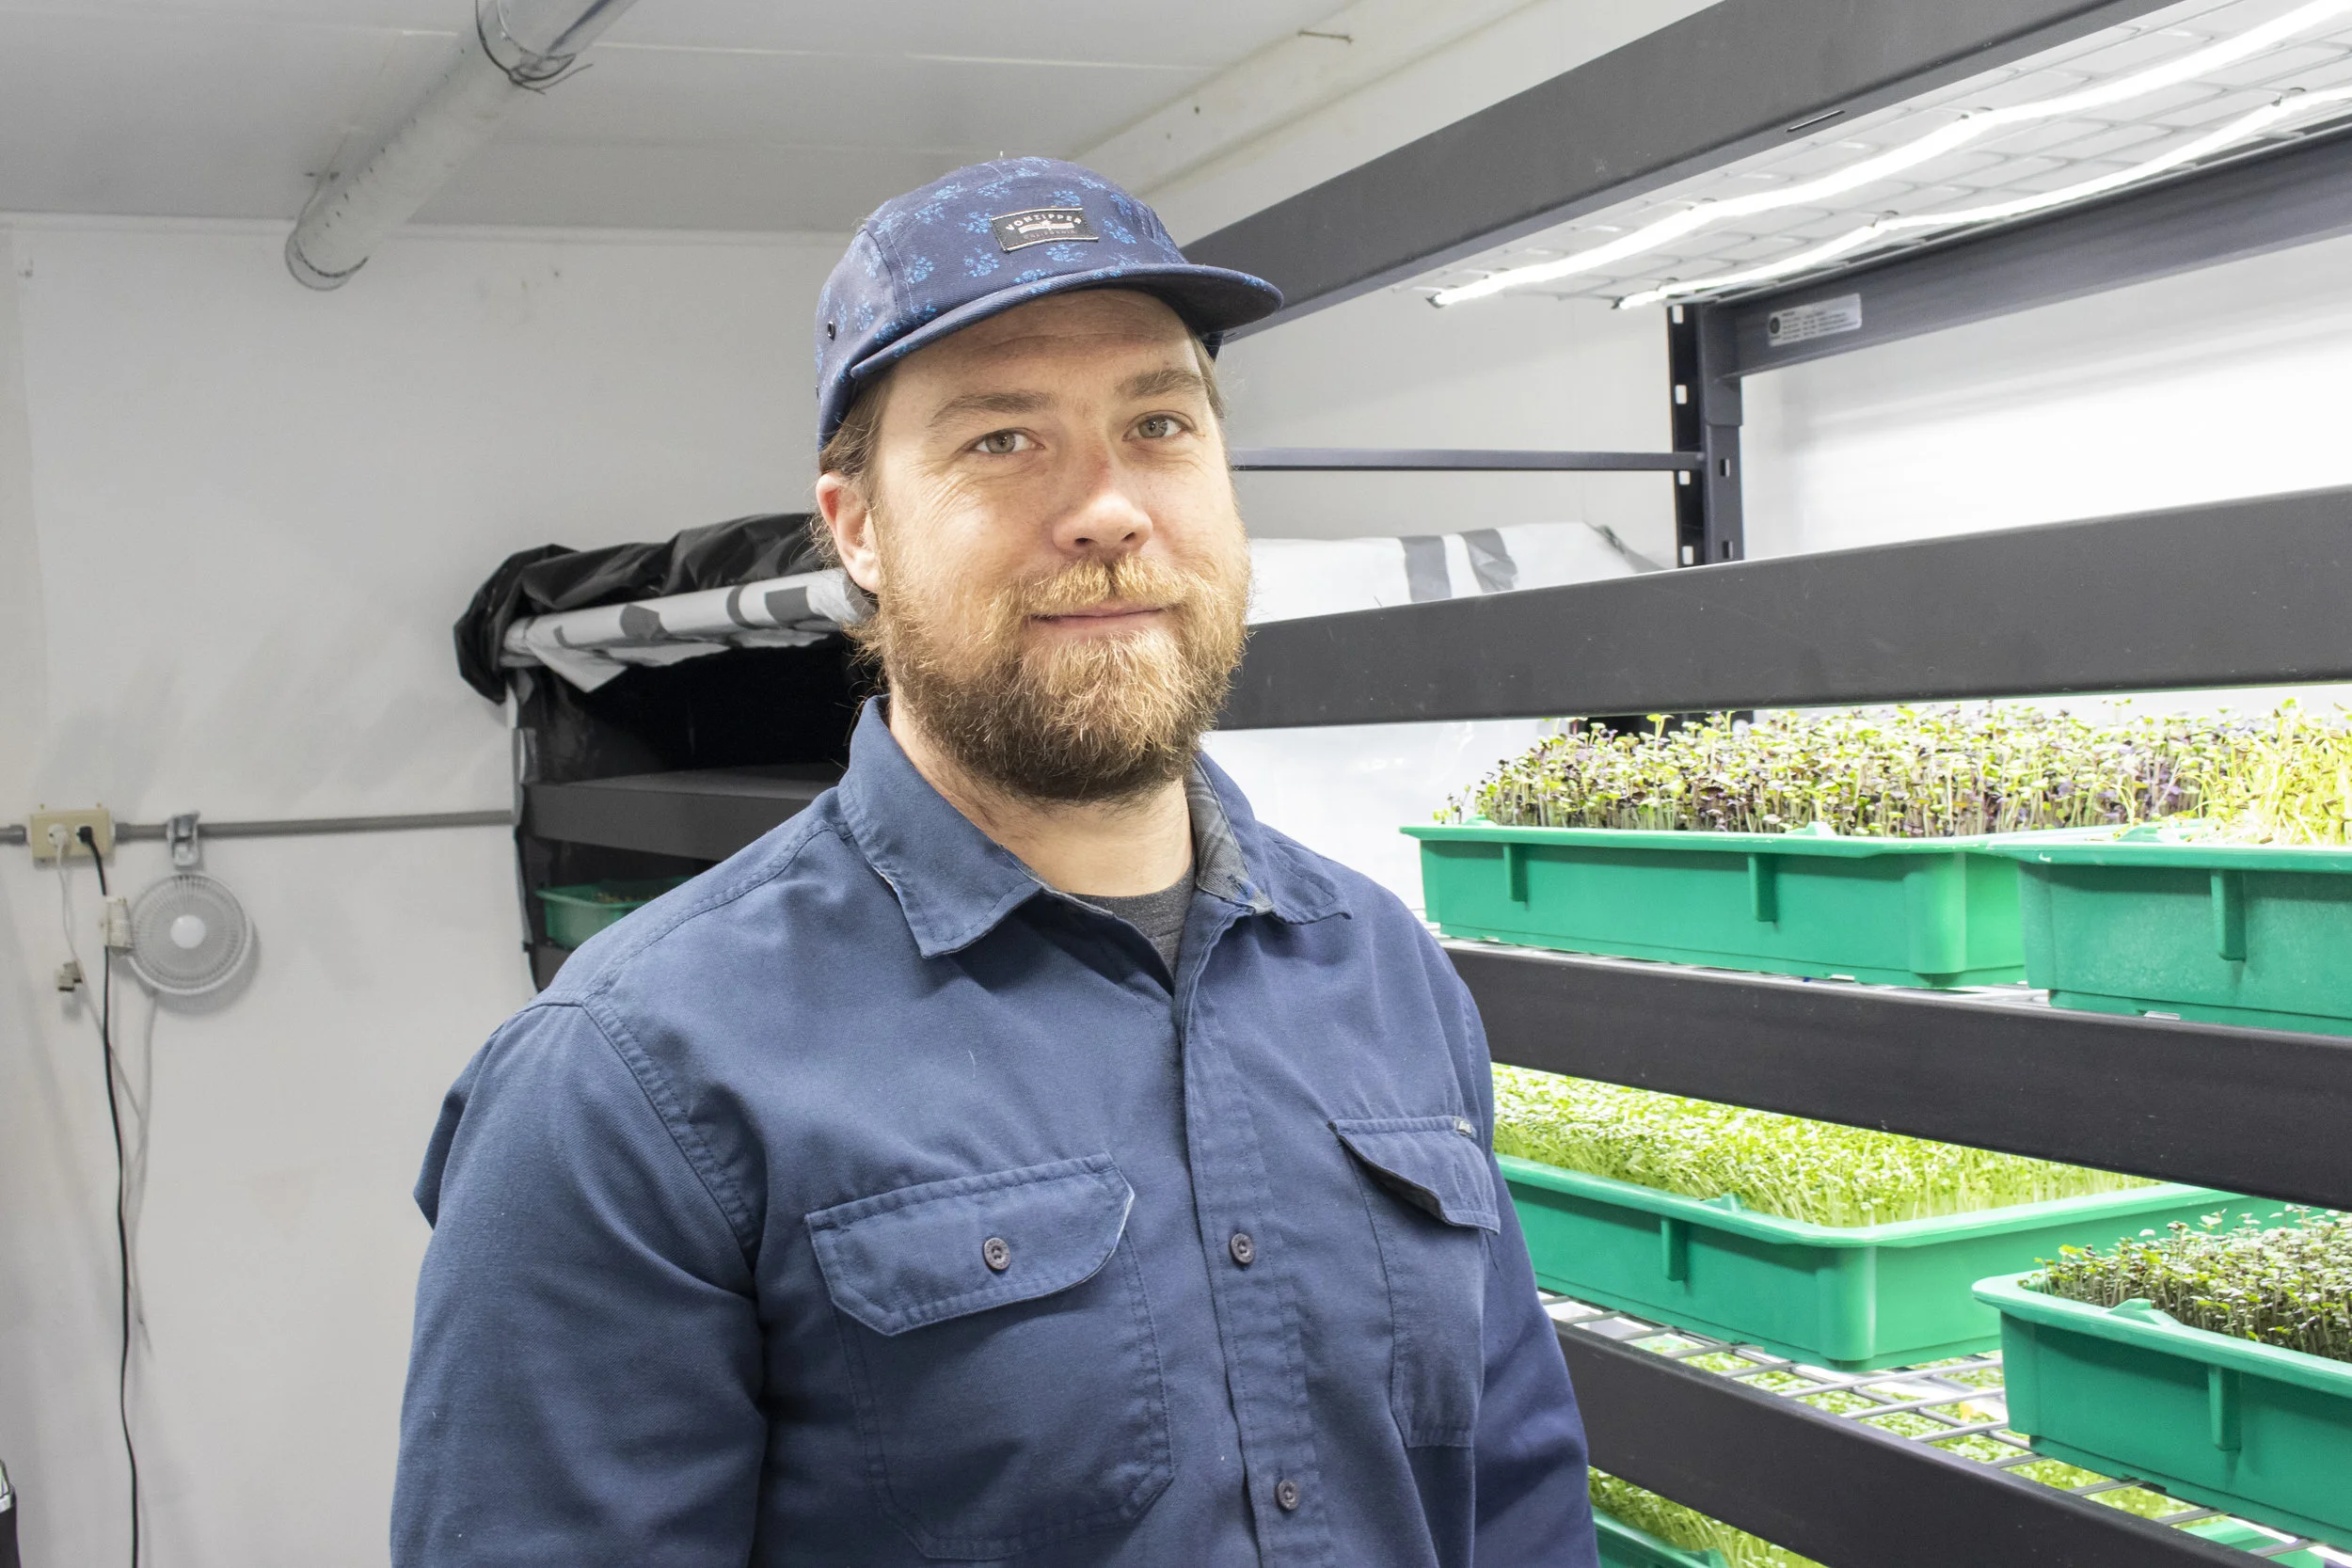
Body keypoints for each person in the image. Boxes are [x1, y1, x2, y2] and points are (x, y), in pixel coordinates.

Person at [393, 157, 1598, 1568]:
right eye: (1001, 440)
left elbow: (1517, 1506)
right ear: (857, 532)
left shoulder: (1384, 970)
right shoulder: (626, 1083)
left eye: (1159, 421)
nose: (1105, 506)